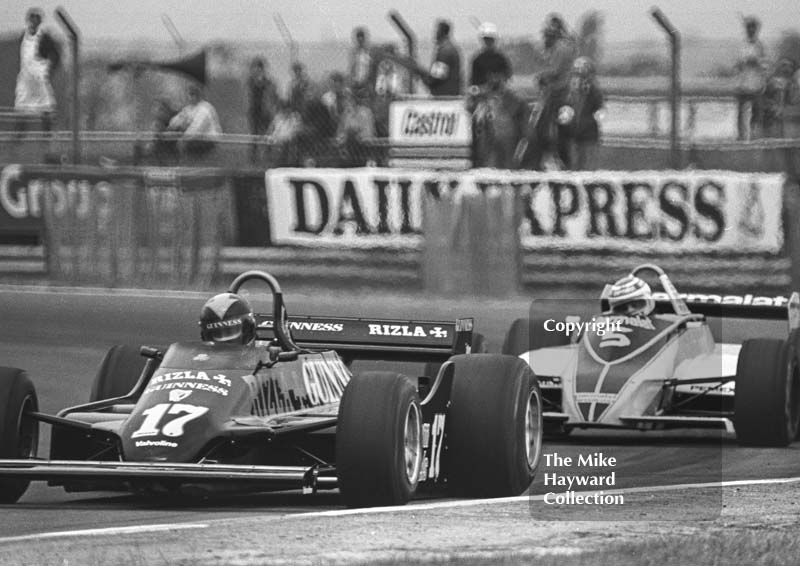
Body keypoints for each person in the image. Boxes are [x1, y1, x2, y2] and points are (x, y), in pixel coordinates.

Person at [533, 13, 578, 168]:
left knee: (546, 129)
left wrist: (541, 77)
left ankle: (553, 160)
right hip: (561, 92)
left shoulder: (560, 47)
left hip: (558, 93)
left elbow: (555, 71)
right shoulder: (566, 46)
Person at [14, 7, 61, 131]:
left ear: (40, 22)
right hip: (25, 79)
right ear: (28, 20)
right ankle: (17, 140)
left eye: (36, 20)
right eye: (31, 19)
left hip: (39, 78)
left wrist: (48, 71)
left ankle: (47, 140)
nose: (33, 22)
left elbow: (56, 56)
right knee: (22, 109)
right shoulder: (22, 36)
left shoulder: (44, 37)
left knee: (45, 109)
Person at [560, 57, 604, 170]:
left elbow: (599, 111)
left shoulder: (594, 92)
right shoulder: (569, 93)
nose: (577, 79)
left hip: (588, 136)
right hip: (572, 135)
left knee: (588, 165)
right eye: (576, 75)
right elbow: (565, 111)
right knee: (573, 164)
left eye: (581, 75)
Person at [167, 84, 222, 160]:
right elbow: (176, 121)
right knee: (172, 141)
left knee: (185, 145)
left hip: (208, 141)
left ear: (198, 96)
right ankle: (171, 162)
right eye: (189, 95)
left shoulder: (204, 108)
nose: (189, 98)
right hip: (196, 139)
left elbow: (196, 128)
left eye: (192, 95)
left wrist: (183, 139)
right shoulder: (189, 109)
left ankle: (187, 163)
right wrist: (172, 127)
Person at [735, 16, 768, 140]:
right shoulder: (741, 45)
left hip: (756, 85)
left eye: (753, 28)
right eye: (749, 27)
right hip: (742, 84)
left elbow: (764, 65)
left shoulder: (760, 46)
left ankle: (755, 137)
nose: (750, 30)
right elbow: (738, 63)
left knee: (757, 113)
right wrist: (744, 62)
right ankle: (740, 138)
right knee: (741, 114)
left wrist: (757, 62)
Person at [247, 57, 281, 162]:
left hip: (265, 111)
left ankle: (268, 155)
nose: (255, 70)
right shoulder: (250, 81)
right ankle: (254, 157)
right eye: (254, 68)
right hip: (254, 111)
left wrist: (272, 108)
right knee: (254, 134)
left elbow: (274, 95)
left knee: (267, 133)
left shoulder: (269, 82)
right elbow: (249, 94)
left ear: (261, 69)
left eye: (257, 68)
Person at [469, 22, 512, 92]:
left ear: (495, 40)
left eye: (490, 39)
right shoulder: (477, 59)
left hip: (499, 96)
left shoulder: (502, 59)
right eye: (486, 39)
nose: (488, 42)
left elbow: (507, 78)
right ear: (482, 40)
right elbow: (473, 83)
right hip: (481, 96)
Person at [425, 20, 462, 96]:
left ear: (441, 32)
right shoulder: (450, 48)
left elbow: (438, 76)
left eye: (436, 30)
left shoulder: (445, 50)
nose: (434, 33)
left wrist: (424, 78)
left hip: (444, 97)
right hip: (450, 94)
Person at [762, 57, 798, 138]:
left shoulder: (790, 83)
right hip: (769, 112)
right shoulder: (772, 81)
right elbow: (764, 96)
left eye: (790, 66)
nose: (787, 68)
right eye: (784, 65)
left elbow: (792, 100)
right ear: (778, 67)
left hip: (782, 114)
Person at [348, 27, 374, 95]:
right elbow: (352, 66)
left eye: (362, 37)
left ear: (364, 39)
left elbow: (371, 66)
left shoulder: (369, 51)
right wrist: (352, 78)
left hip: (367, 81)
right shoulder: (354, 52)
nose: (360, 39)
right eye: (358, 37)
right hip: (356, 81)